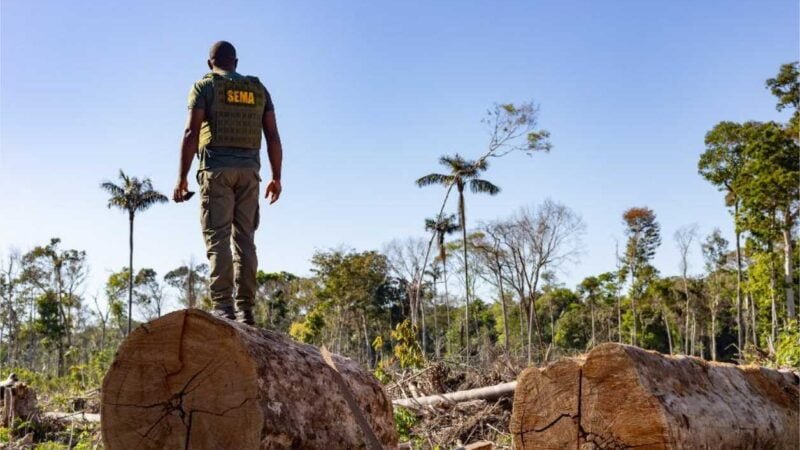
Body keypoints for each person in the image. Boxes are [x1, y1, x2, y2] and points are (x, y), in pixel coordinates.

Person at [173, 41, 283, 326]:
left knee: (218, 238)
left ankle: (223, 307)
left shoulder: (204, 87)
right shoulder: (258, 89)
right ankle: (246, 311)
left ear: (210, 63)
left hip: (217, 172)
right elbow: (272, 136)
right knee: (245, 240)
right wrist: (276, 177)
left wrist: (182, 177)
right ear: (236, 61)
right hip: (250, 173)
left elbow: (190, 133)